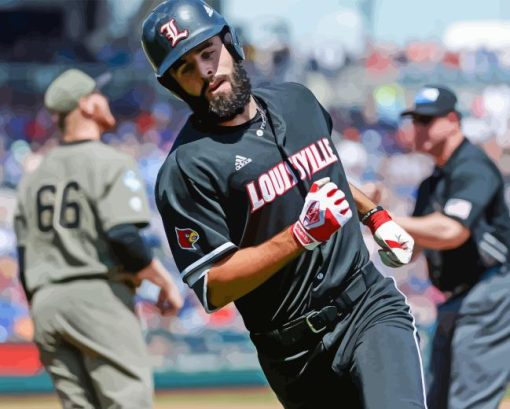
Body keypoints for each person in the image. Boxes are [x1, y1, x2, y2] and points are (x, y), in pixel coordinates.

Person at [141, 1, 427, 408]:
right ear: (175, 85)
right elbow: (213, 286)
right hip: (293, 352)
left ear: (230, 44)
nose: (205, 70)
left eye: (208, 52)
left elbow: (326, 168)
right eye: (186, 67)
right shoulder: (186, 170)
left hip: (368, 306)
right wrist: (299, 236)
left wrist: (373, 215)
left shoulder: (297, 101)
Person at [13, 69, 183, 409]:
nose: (106, 101)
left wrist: (43, 304)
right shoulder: (110, 161)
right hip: (96, 296)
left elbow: (23, 257)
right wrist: (163, 281)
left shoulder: (33, 177)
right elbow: (123, 236)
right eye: (99, 95)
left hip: (47, 304)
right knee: (129, 403)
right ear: (87, 106)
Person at [393, 85, 510, 409]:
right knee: (436, 403)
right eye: (415, 120)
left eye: (427, 120)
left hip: (491, 291)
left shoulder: (473, 167)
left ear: (453, 120)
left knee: (469, 404)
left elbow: (453, 231)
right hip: (456, 299)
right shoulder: (432, 184)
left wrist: (386, 217)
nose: (418, 127)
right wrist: (373, 221)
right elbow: (408, 250)